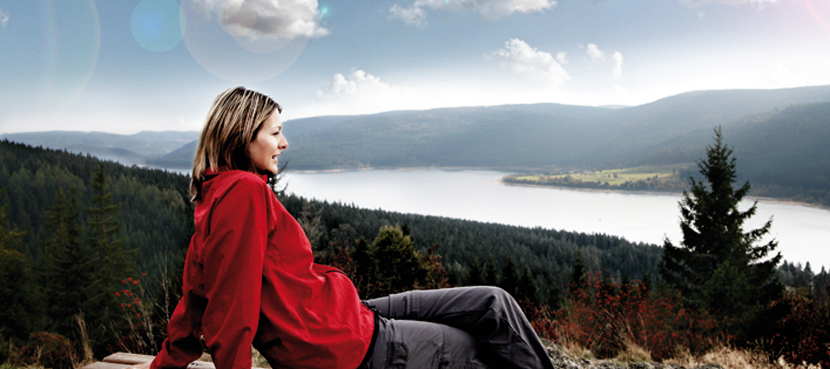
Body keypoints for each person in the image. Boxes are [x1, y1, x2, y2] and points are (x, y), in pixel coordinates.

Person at [127, 86, 555, 369]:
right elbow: (230, 308)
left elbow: (195, 294)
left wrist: (166, 364)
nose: (284, 143)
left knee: (491, 303)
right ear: (243, 136)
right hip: (342, 344)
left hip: (343, 315)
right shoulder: (242, 193)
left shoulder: (214, 195)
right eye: (276, 132)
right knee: (477, 349)